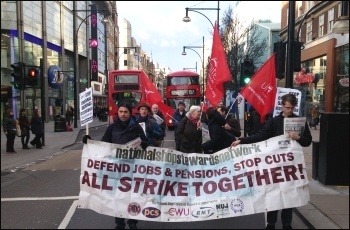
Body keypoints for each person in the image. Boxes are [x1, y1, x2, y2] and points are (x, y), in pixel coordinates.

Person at [230, 93, 312, 230]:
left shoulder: (299, 121)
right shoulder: (274, 121)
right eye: (287, 107)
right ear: (282, 106)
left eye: (292, 108)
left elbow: (307, 141)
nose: (289, 110)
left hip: (291, 166)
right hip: (275, 165)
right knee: (274, 193)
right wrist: (242, 141)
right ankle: (271, 223)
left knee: (289, 194)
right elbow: (261, 135)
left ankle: (287, 224)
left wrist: (298, 137)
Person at [99, 102, 148, 230]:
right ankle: (119, 223)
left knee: (133, 195)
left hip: (133, 168)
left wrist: (143, 143)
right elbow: (104, 143)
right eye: (121, 112)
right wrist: (88, 141)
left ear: (130, 113)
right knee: (118, 196)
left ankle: (133, 221)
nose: (123, 114)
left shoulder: (137, 127)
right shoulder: (112, 128)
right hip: (117, 169)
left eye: (125, 112)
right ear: (118, 112)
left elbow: (146, 142)